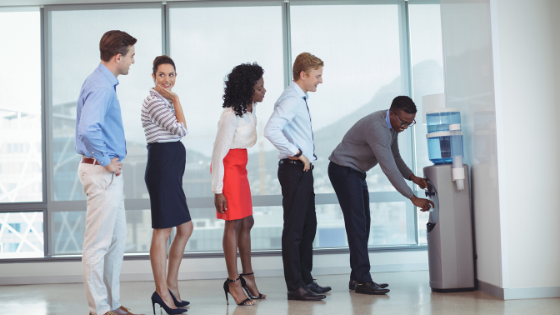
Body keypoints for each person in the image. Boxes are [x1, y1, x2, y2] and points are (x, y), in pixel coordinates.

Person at [327, 96, 435, 295]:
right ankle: (363, 280)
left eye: (410, 123)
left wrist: (412, 177)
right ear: (392, 113)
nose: (405, 126)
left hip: (356, 172)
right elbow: (389, 168)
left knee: (363, 222)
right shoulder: (378, 128)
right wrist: (412, 197)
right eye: (403, 122)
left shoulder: (393, 127)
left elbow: (395, 157)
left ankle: (356, 277)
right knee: (357, 223)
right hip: (343, 170)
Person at [75, 30, 142, 315]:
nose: (133, 62)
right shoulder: (102, 86)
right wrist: (105, 160)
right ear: (118, 57)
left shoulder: (101, 81)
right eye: (131, 56)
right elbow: (88, 128)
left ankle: (112, 305)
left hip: (107, 174)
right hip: (101, 172)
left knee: (116, 242)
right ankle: (99, 310)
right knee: (97, 246)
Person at [264, 52, 330, 301]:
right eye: (317, 76)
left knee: (308, 226)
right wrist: (297, 152)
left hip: (302, 170)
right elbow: (270, 129)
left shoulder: (299, 97)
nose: (320, 81)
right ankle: (295, 286)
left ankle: (306, 279)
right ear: (303, 75)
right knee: (294, 230)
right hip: (293, 169)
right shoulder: (291, 99)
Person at [210, 63, 267, 306]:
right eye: (259, 88)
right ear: (247, 89)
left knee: (247, 222)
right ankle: (234, 282)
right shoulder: (229, 116)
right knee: (232, 224)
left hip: (241, 168)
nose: (264, 90)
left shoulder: (249, 110)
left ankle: (248, 276)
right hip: (228, 169)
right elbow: (217, 155)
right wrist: (218, 190)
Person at [142, 55, 193, 314]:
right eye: (162, 75)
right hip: (162, 170)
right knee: (162, 232)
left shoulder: (163, 100)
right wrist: (177, 100)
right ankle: (162, 292)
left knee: (185, 228)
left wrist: (172, 99)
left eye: (171, 75)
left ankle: (171, 285)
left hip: (170, 172)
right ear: (153, 76)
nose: (167, 79)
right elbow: (181, 130)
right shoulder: (155, 101)